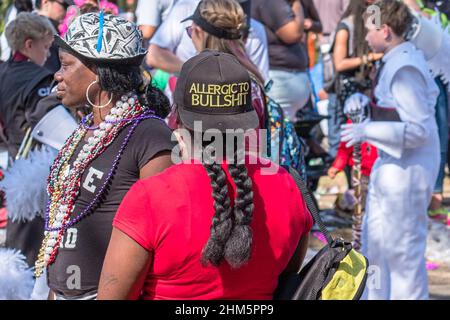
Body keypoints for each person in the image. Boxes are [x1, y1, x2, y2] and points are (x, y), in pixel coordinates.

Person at [96, 50, 312, 300]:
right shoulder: (286, 185)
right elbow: (288, 277)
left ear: (176, 118)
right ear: (248, 120)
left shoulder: (150, 197)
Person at [33, 12, 176, 300]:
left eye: (65, 65)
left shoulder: (150, 135)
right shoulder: (83, 131)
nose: (57, 75)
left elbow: (162, 237)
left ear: (99, 72)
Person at [341, 0, 440, 299]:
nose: (365, 38)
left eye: (369, 30)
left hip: (407, 171)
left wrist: (367, 129)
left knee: (402, 254)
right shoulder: (395, 60)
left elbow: (419, 129)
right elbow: (393, 110)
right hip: (392, 167)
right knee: (377, 247)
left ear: (385, 31)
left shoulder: (405, 65)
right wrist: (364, 109)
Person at [146, 0, 270, 82]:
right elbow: (261, 82)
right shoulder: (187, 5)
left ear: (200, 32)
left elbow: (196, 121)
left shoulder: (192, 90)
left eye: (191, 31)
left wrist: (199, 76)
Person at [0, 12, 55, 160]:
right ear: (29, 44)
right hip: (34, 159)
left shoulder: (3, 70)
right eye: (46, 47)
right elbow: (49, 127)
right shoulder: (40, 78)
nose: (48, 54)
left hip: (10, 156)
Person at [251, 0, 311, 121]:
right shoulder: (271, 2)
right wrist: (297, 2)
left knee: (281, 133)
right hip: (279, 80)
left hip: (282, 80)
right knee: (277, 134)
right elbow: (293, 33)